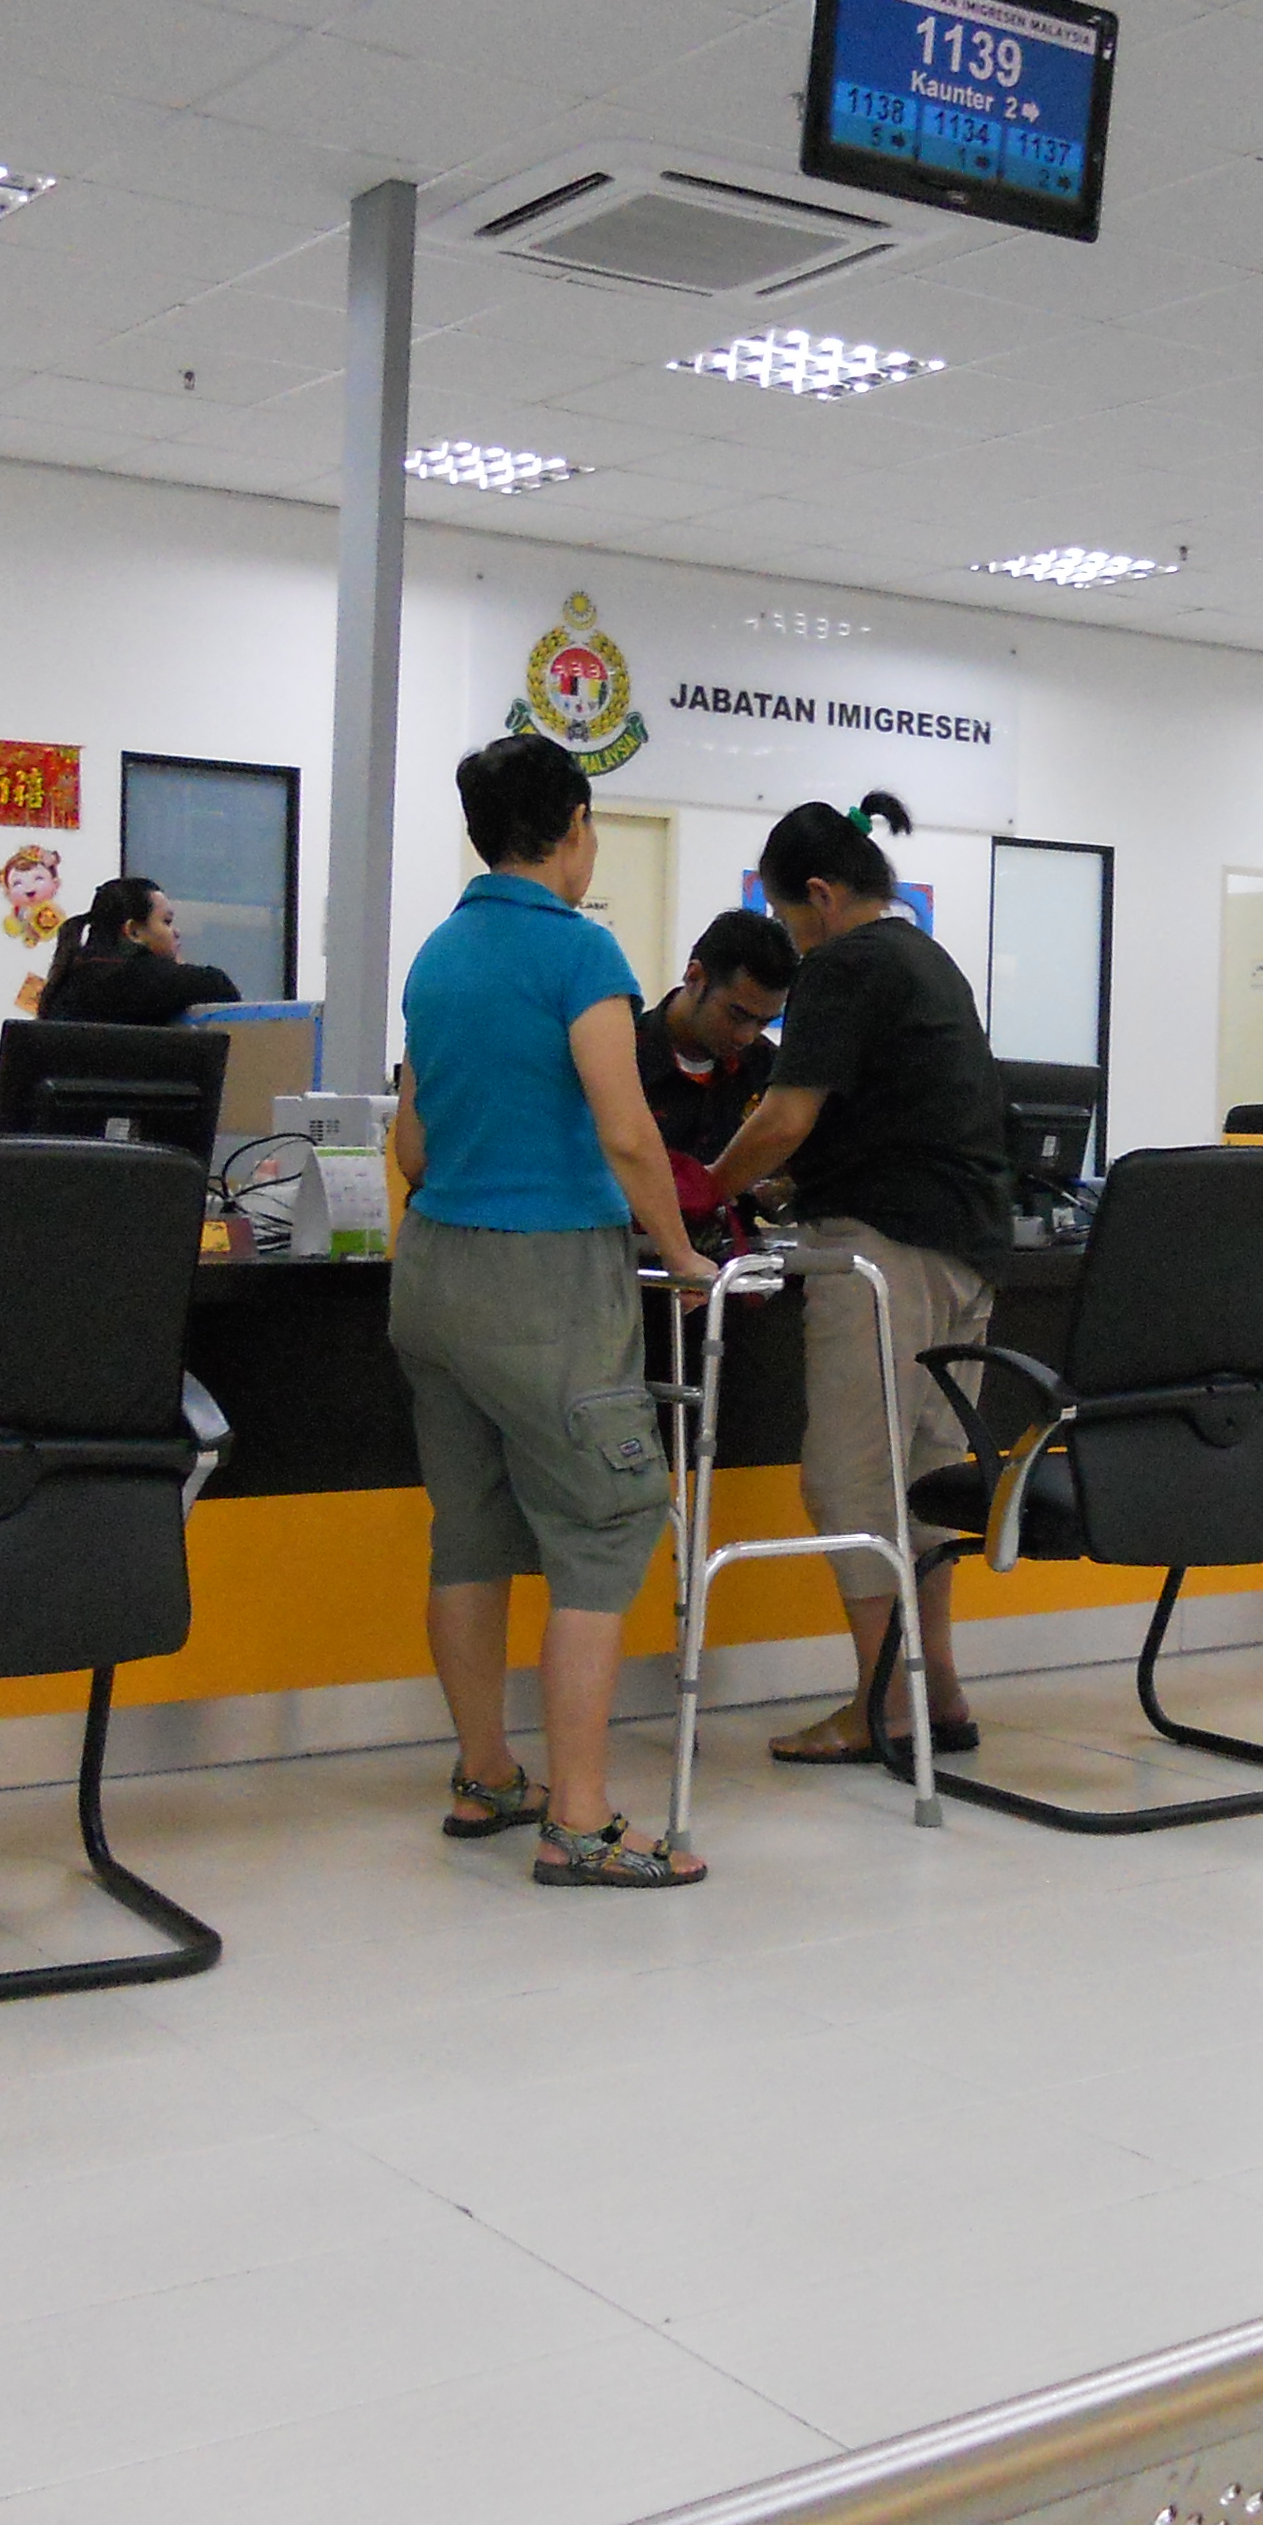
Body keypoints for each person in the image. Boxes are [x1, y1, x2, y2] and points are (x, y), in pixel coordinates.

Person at [388, 734, 720, 1890]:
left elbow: (411, 1145)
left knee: (469, 1532)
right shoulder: (581, 952)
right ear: (576, 827)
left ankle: (486, 1773)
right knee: (603, 1523)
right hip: (547, 1285)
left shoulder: (438, 955)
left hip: (434, 1272)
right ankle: (579, 1820)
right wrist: (680, 1252)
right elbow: (628, 1131)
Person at [701, 792, 1010, 1769]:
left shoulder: (843, 963)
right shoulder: (928, 960)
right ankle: (937, 1690)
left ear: (821, 896)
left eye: (790, 917)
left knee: (849, 1479)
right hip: (965, 1254)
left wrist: (703, 1191)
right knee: (924, 1484)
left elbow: (786, 1118)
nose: (794, 939)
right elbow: (889, 1118)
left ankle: (885, 1706)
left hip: (883, 1253)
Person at [635, 908, 797, 1163]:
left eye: (764, 1022)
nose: (746, 1037)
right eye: (737, 1015)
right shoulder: (619, 1059)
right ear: (694, 977)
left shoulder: (769, 1070)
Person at [37, 876, 242, 1025]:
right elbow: (221, 986)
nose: (176, 932)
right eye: (167, 921)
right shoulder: (142, 980)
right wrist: (176, 968)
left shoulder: (68, 981)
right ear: (133, 931)